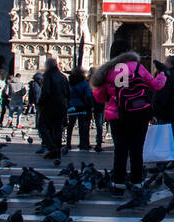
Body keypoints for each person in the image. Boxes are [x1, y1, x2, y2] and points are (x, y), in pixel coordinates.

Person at [90, 41, 166, 191]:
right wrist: (162, 75)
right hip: (138, 114)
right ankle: (137, 182)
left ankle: (119, 184)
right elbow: (156, 85)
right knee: (137, 150)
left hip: (117, 115)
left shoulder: (109, 70)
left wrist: (110, 96)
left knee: (120, 150)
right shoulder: (138, 67)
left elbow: (98, 97)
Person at [35, 56, 70, 159]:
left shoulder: (48, 76)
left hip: (50, 106)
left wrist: (40, 102)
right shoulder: (63, 76)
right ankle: (57, 151)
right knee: (58, 129)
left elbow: (46, 92)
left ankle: (52, 147)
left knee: (42, 126)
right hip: (62, 106)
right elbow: (68, 92)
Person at [65, 67, 95, 151]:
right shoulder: (84, 83)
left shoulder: (70, 83)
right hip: (82, 106)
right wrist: (91, 105)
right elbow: (88, 95)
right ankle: (83, 143)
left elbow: (67, 94)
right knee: (82, 126)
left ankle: (68, 143)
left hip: (72, 106)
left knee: (70, 125)